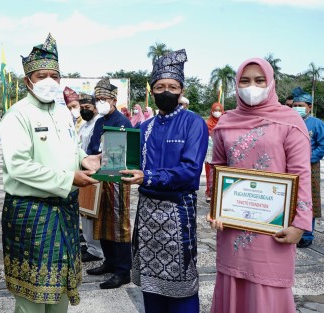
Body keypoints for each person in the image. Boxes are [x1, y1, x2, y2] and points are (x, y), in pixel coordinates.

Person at [0, 33, 100, 313]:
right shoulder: (16, 116)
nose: (49, 81)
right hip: (31, 212)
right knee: (32, 293)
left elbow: (70, 149)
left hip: (64, 210)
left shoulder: (62, 112)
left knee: (60, 291)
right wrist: (69, 179)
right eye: (41, 75)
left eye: (54, 76)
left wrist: (85, 159)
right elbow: (18, 166)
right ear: (27, 80)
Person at [206, 58, 313, 313]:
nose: (251, 86)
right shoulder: (227, 122)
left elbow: (301, 173)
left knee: (266, 294)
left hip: (273, 230)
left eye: (259, 80)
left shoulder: (290, 122)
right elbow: (219, 169)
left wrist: (300, 224)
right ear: (236, 85)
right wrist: (216, 210)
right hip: (233, 225)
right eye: (245, 81)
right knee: (233, 285)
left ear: (270, 82)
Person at [120, 49, 208, 313]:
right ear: (152, 90)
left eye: (172, 86)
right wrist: (108, 163)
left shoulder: (193, 123)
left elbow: (190, 171)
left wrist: (149, 176)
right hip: (146, 214)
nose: (166, 91)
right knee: (150, 283)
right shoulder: (143, 128)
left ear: (181, 89)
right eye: (160, 86)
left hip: (177, 212)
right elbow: (128, 162)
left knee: (181, 284)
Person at [86, 78, 133, 289]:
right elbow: (92, 149)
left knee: (117, 223)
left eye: (103, 99)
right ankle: (110, 262)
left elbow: (124, 153)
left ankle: (123, 271)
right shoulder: (99, 121)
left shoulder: (122, 122)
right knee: (101, 221)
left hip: (116, 180)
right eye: (98, 99)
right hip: (99, 177)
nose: (100, 103)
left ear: (113, 100)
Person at [291, 87, 324, 248]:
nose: (296, 108)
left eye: (300, 105)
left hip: (310, 167)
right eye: (294, 105)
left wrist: (306, 158)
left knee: (309, 199)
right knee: (292, 197)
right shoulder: (290, 121)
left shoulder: (317, 124)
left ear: (309, 107)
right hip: (290, 167)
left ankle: (307, 234)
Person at [76, 92, 103, 263]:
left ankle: (96, 249)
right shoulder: (84, 125)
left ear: (95, 108)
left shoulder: (98, 123)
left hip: (93, 170)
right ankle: (89, 244)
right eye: (82, 108)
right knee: (84, 212)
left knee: (92, 212)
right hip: (82, 169)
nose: (85, 110)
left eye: (88, 107)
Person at [204, 102, 224, 203]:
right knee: (209, 173)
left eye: (219, 110)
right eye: (215, 110)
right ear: (212, 111)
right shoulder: (206, 124)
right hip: (210, 152)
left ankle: (220, 193)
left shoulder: (225, 123)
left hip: (221, 152)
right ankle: (210, 193)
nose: (217, 112)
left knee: (220, 172)